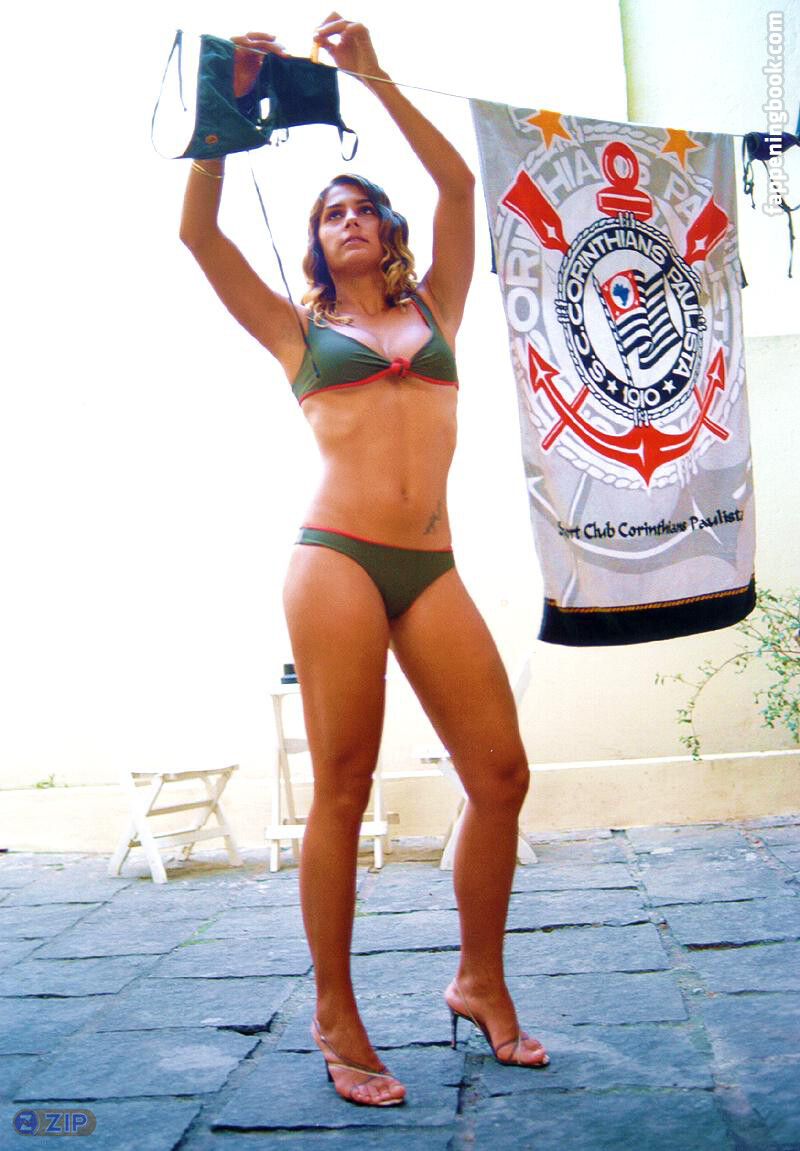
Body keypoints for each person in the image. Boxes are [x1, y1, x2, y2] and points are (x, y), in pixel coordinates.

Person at [180, 13, 549, 1108]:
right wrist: (225, 100)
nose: (347, 218)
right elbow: (199, 236)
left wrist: (373, 77)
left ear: (386, 232)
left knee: (501, 775)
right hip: (335, 560)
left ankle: (478, 978)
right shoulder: (299, 334)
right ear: (317, 245)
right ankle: (336, 1012)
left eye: (359, 207)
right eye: (329, 213)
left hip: (430, 568)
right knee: (342, 784)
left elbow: (458, 188)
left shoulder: (439, 306)